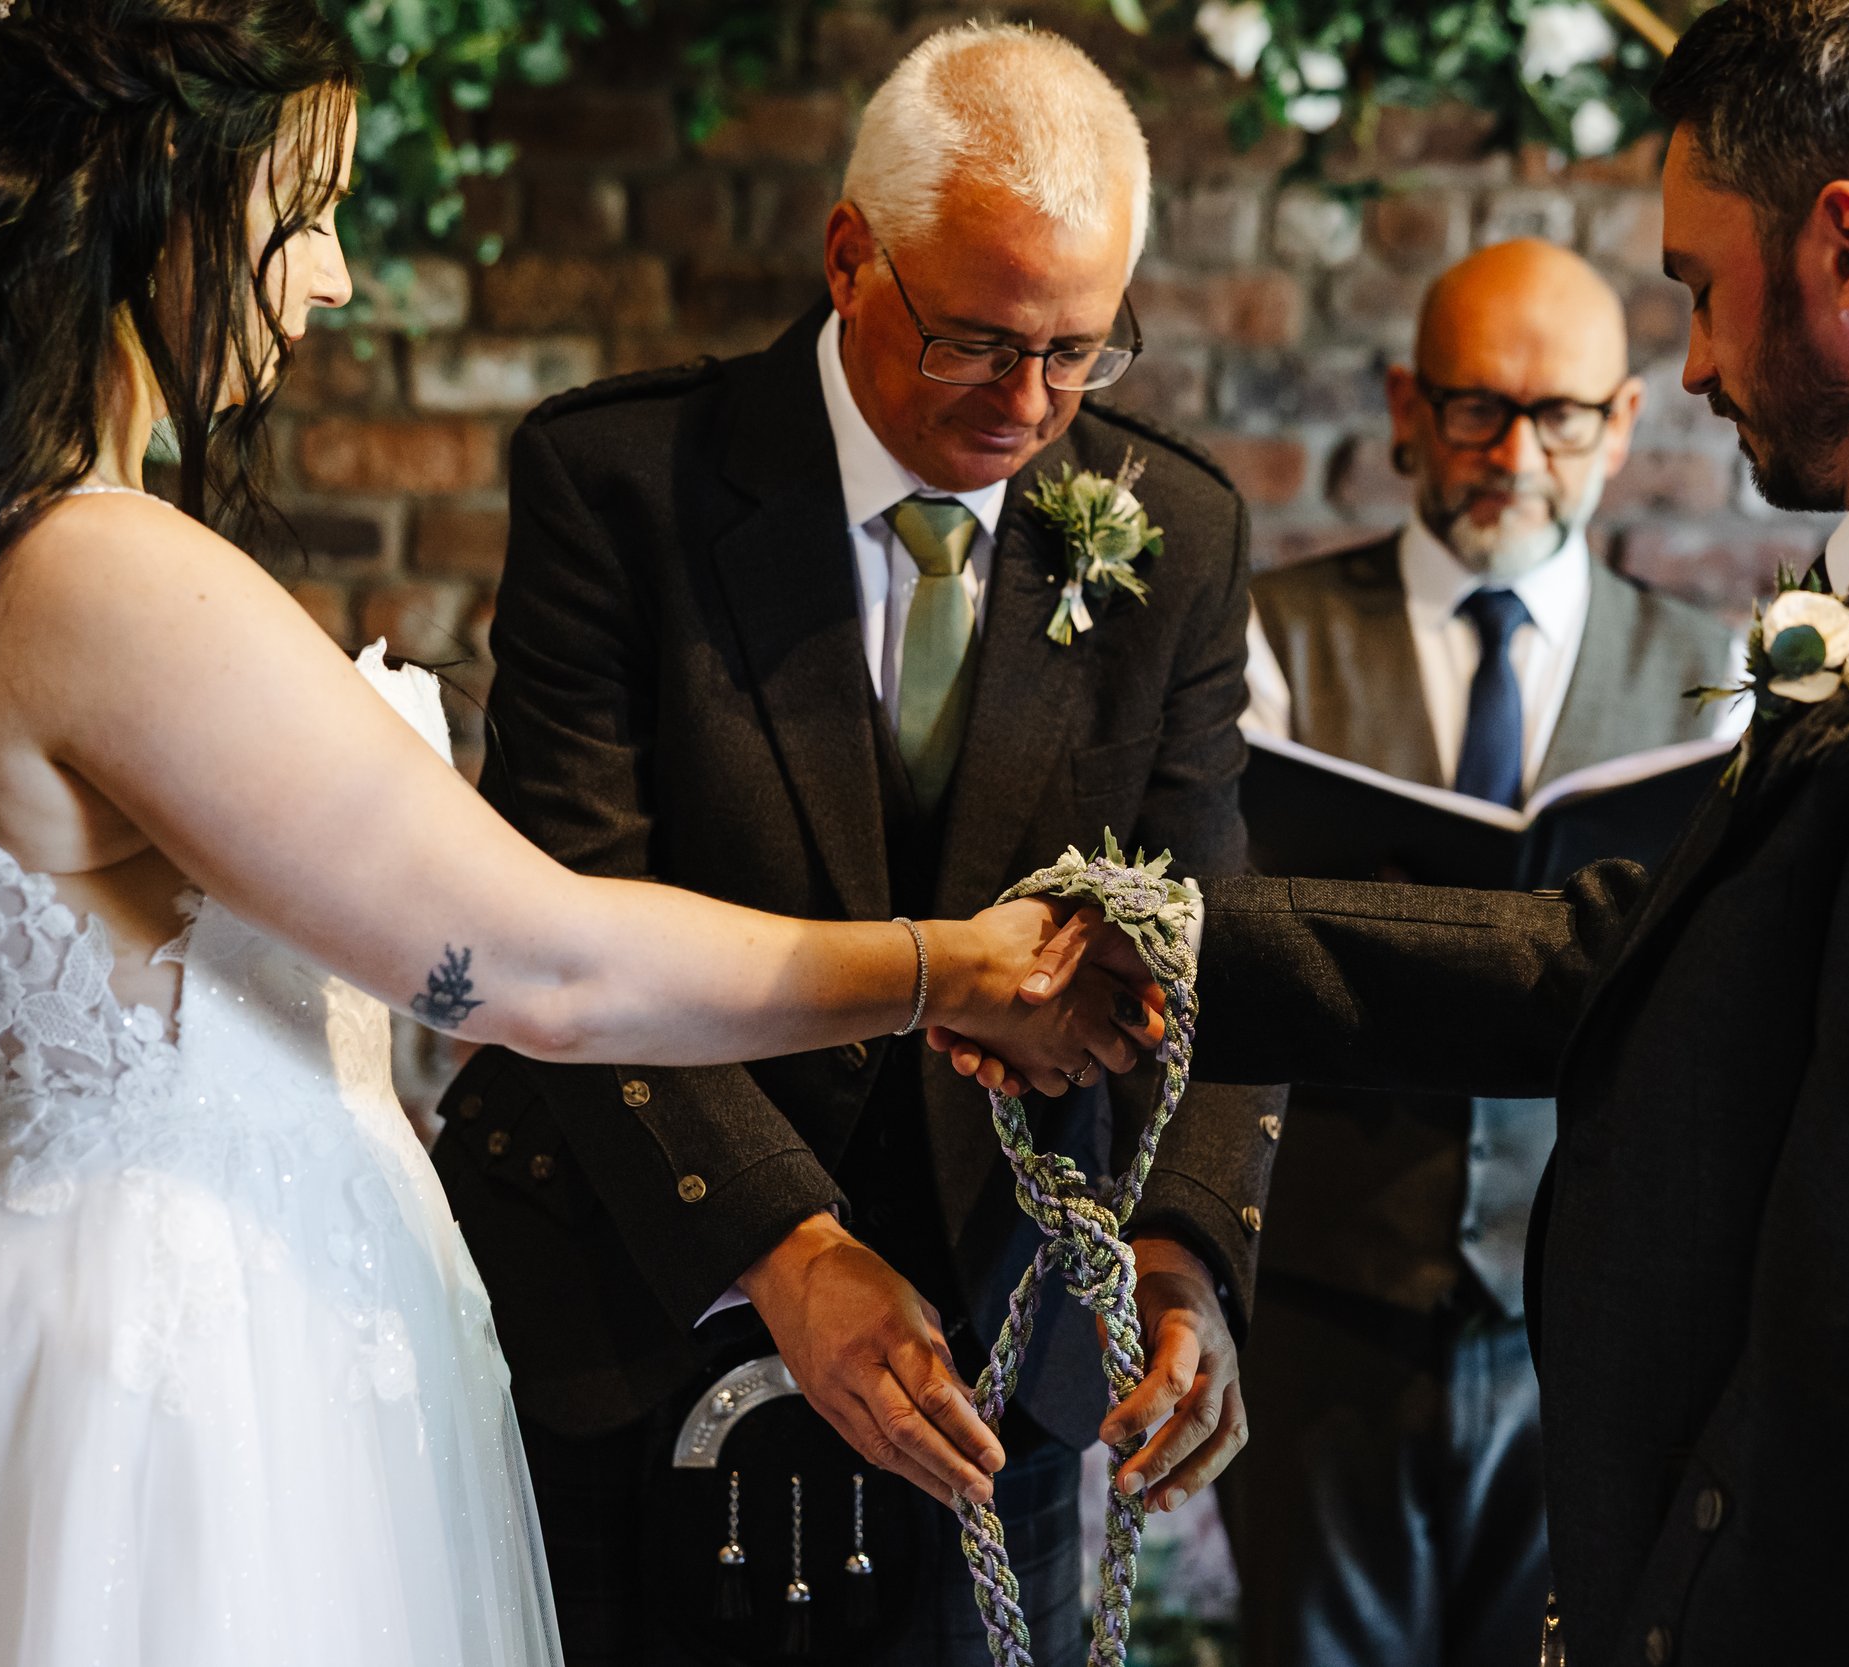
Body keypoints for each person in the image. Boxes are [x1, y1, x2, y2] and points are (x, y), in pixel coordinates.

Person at [958, 2, 1849, 1660]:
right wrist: (1172, 942)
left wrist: (1688, 1591)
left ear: (1846, 247)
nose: (1696, 362)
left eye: (1701, 289)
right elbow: (1641, 949)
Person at [0, 5, 1165, 1663]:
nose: (332, 277)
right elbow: (539, 965)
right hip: (177, 1379)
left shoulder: (51, 547)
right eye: (301, 216)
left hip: (251, 1329)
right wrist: (942, 970)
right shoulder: (91, 571)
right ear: (156, 194)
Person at [430, 22, 1284, 1666]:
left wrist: (1186, 1253)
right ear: (848, 258)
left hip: (998, 1367)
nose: (1030, 405)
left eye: (1077, 353)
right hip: (640, 1318)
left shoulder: (1173, 531)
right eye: (977, 342)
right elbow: (569, 917)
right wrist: (785, 1252)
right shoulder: (619, 487)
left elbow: (1209, 932)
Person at [1221, 236, 1736, 1667]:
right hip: (1322, 1305)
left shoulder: (1715, 685)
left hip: (1579, 1325)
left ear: (1622, 423)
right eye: (1474, 409)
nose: (1516, 454)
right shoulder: (1269, 646)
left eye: (1559, 414)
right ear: (1403, 407)